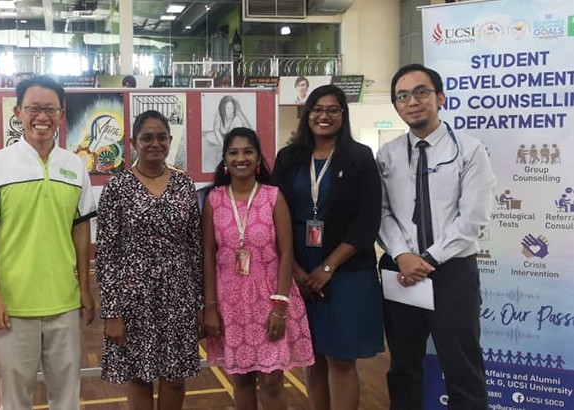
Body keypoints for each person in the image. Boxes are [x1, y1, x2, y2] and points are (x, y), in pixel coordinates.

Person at [0, 76, 96, 410]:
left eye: (49, 109)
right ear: (18, 112)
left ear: (61, 113)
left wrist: (84, 289)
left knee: (66, 398)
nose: (42, 116)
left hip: (64, 304)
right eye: (33, 109)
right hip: (13, 307)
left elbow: (81, 231)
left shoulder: (75, 166)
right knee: (15, 400)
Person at [378, 64, 495, 409]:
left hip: (452, 274)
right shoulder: (387, 155)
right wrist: (402, 255)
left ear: (440, 97)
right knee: (403, 368)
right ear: (397, 106)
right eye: (402, 96)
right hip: (400, 272)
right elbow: (381, 213)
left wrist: (427, 260)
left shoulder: (471, 151)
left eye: (421, 92)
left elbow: (473, 218)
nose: (412, 101)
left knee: (463, 370)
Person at [273, 85, 385, 410]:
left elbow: (367, 220)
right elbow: (273, 215)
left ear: (343, 115)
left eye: (333, 109)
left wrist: (327, 267)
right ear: (307, 114)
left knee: (341, 359)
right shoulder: (289, 157)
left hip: (347, 269)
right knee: (312, 356)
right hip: (298, 267)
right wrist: (293, 268)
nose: (324, 116)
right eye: (317, 109)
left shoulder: (359, 157)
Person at [96, 110, 202, 410]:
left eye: (161, 137)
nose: (155, 143)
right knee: (139, 377)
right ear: (133, 142)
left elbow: (195, 248)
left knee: (175, 377)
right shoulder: (116, 188)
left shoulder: (184, 184)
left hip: (178, 296)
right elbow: (106, 254)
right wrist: (112, 313)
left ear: (169, 141)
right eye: (146, 138)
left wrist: (198, 305)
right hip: (133, 297)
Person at [203, 127, 314, 410]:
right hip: (230, 302)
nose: (241, 158)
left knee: (272, 381)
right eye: (234, 152)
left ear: (258, 157)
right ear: (225, 160)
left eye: (248, 151)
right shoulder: (214, 200)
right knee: (240, 380)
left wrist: (280, 306)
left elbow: (286, 253)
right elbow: (207, 254)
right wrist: (211, 306)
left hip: (270, 299)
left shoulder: (273, 197)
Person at [205, 95, 252, 171]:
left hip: (234, 138)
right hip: (222, 137)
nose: (230, 110)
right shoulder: (219, 114)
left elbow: (247, 127)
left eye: (232, 108)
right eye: (228, 108)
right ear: (223, 108)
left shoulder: (237, 114)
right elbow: (216, 130)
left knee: (237, 120)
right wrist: (223, 145)